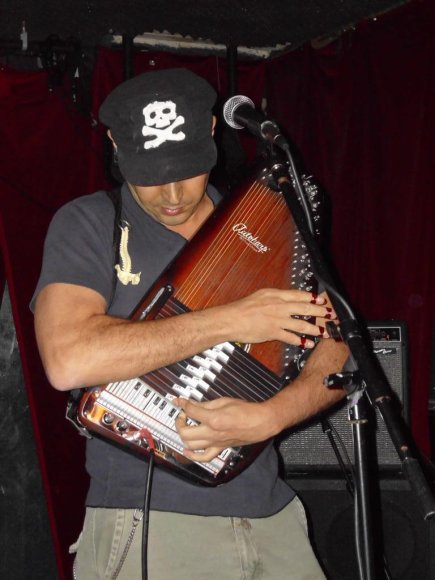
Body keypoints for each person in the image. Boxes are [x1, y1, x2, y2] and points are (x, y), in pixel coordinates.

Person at [32, 68, 348, 579]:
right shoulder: (89, 222)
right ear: (114, 144)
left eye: (187, 168)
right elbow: (69, 360)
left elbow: (340, 351)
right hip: (149, 524)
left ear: (210, 131)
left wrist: (272, 416)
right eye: (152, 174)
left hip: (274, 517)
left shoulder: (267, 221)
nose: (173, 193)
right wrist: (230, 320)